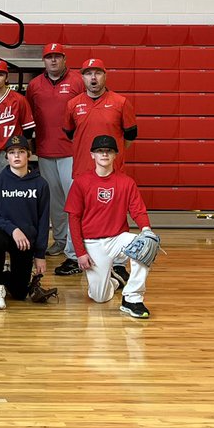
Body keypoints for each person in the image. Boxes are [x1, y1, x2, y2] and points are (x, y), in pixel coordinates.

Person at [58, 58, 139, 276]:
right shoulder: (73, 104)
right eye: (88, 73)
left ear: (105, 75)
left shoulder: (121, 102)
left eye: (98, 73)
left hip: (112, 172)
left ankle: (119, 263)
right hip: (82, 170)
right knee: (75, 214)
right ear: (82, 77)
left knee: (117, 215)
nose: (93, 78)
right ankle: (74, 256)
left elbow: (130, 135)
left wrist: (114, 157)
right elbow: (69, 133)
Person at [65, 135, 155, 319]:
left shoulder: (126, 182)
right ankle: (113, 280)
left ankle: (132, 298)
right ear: (92, 155)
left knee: (146, 245)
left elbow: (138, 211)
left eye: (109, 151)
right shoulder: (81, 182)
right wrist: (80, 252)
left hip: (118, 238)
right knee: (99, 297)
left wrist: (146, 230)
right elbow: (73, 219)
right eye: (100, 151)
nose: (104, 154)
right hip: (92, 243)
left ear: (115, 155)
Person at [25, 43, 84, 262]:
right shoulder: (34, 85)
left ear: (64, 59)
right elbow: (30, 117)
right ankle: (60, 240)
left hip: (72, 150)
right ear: (44, 61)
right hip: (45, 150)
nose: (53, 61)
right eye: (49, 57)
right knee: (55, 201)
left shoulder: (78, 80)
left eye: (57, 57)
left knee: (73, 199)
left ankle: (75, 242)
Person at [0, 135, 50, 310]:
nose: (16, 156)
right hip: (4, 234)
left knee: (19, 293)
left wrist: (40, 255)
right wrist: (13, 229)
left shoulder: (40, 184)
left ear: (29, 154)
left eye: (21, 152)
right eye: (12, 152)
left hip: (26, 242)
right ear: (7, 156)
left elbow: (43, 220)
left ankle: (0, 272)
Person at [0, 59, 36, 173]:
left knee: (14, 188)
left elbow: (28, 129)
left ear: (7, 78)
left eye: (1, 74)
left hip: (13, 152)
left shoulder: (19, 100)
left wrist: (27, 151)